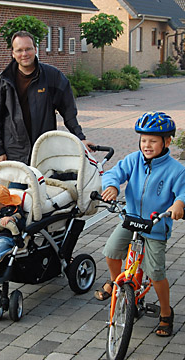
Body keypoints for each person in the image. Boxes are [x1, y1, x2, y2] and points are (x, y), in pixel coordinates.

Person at [94, 112, 185, 337]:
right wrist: (113, 186)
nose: (147, 145)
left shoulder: (176, 169)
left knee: (155, 272)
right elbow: (114, 173)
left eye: (153, 140)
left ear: (167, 142)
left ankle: (165, 312)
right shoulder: (133, 160)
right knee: (112, 251)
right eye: (144, 140)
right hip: (131, 219)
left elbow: (183, 191)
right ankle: (116, 282)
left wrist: (179, 204)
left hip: (155, 226)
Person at [0, 30, 94, 165]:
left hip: (45, 151)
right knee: (17, 187)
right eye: (19, 50)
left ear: (35, 49)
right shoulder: (3, 81)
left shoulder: (52, 77)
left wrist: (80, 138)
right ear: (13, 53)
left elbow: (68, 112)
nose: (24, 54)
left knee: (47, 186)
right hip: (14, 154)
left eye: (28, 49)